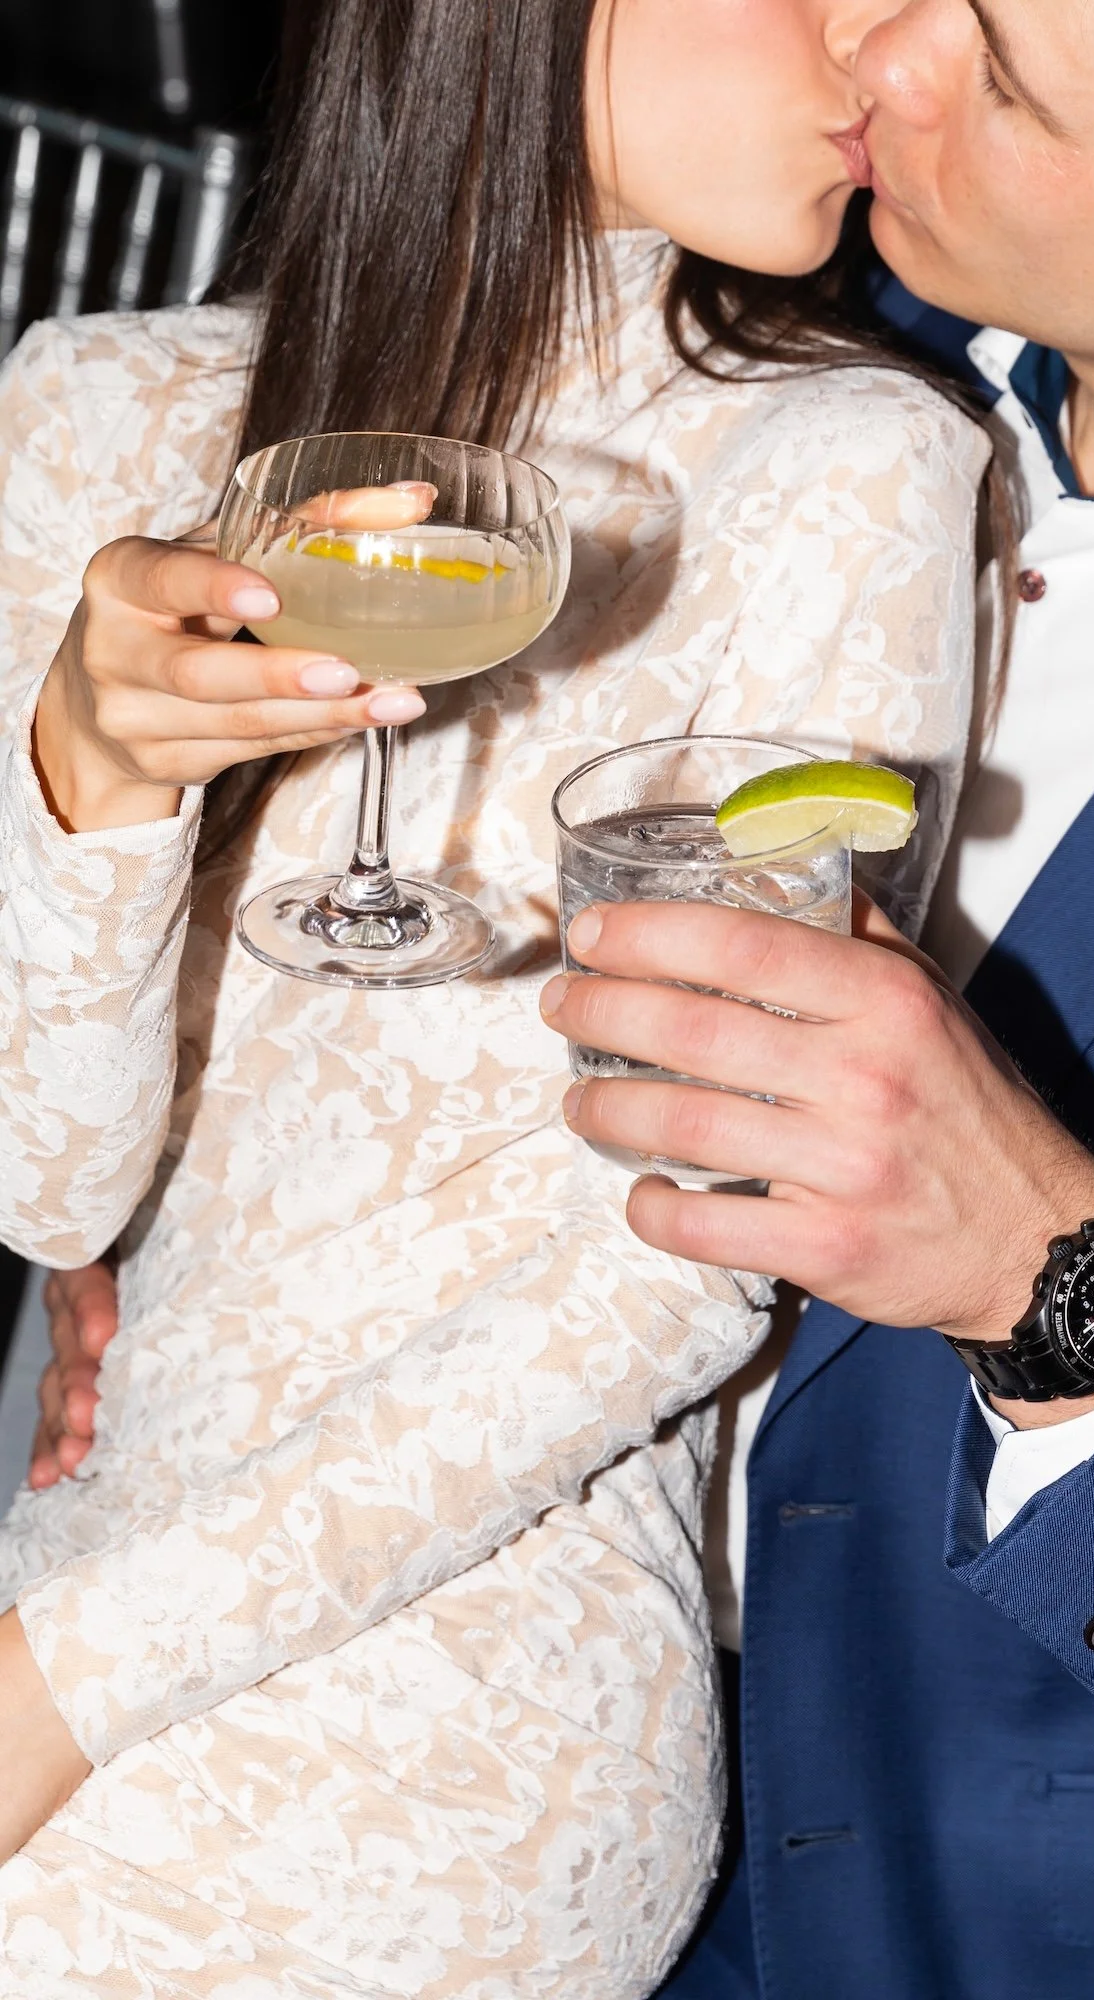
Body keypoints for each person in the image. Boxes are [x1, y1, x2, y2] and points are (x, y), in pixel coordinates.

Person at [0, 2, 991, 1993]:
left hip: (459, 1712)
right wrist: (91, 790)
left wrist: (58, 1687)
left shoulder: (855, 463)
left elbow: (689, 1257)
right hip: (67, 1568)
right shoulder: (96, 409)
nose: (887, 40)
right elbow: (47, 1194)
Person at [537, 0, 1094, 1993]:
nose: (866, 50)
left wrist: (1056, 1279)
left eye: (988, 64)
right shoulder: (743, 359)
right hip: (462, 1736)